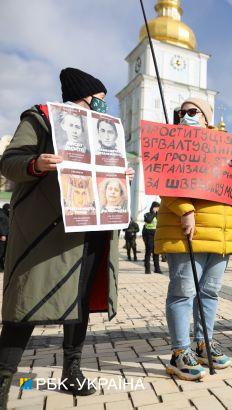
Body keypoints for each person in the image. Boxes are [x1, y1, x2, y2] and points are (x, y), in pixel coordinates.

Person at [0, 67, 133, 405]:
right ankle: (2, 381)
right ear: (82, 97)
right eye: (98, 101)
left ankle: (71, 371)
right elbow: (10, 162)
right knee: (25, 303)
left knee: (82, 302)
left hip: (91, 233)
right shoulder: (42, 119)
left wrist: (120, 173)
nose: (103, 109)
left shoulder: (104, 132)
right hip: (48, 234)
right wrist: (37, 163)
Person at [156, 98, 232, 380]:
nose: (186, 115)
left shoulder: (227, 150)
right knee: (184, 292)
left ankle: (203, 343)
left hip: (220, 234)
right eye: (182, 112)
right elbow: (164, 181)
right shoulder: (174, 143)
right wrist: (186, 210)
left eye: (192, 111)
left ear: (208, 118)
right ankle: (179, 351)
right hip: (189, 230)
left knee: (209, 292)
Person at [143, 201, 161, 274]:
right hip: (148, 235)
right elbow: (149, 221)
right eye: (157, 207)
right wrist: (153, 213)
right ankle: (147, 269)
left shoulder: (158, 215)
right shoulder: (147, 214)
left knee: (156, 253)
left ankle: (157, 269)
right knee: (148, 252)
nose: (158, 209)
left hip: (156, 235)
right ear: (153, 207)